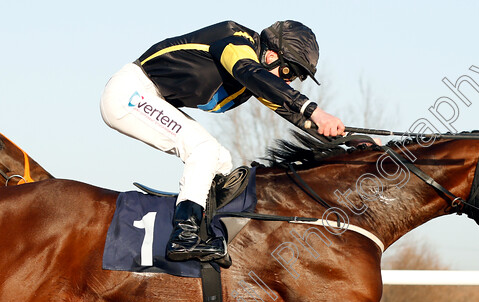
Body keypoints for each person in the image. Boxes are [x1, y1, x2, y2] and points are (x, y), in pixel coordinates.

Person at [100, 20, 345, 264]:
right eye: (288, 72)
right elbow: (251, 73)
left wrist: (350, 142)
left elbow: (291, 111)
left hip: (151, 97)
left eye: (297, 78)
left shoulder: (256, 76)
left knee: (220, 159)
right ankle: (184, 236)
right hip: (129, 93)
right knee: (203, 150)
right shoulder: (236, 42)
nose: (289, 81)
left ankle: (205, 232)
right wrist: (315, 110)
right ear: (271, 56)